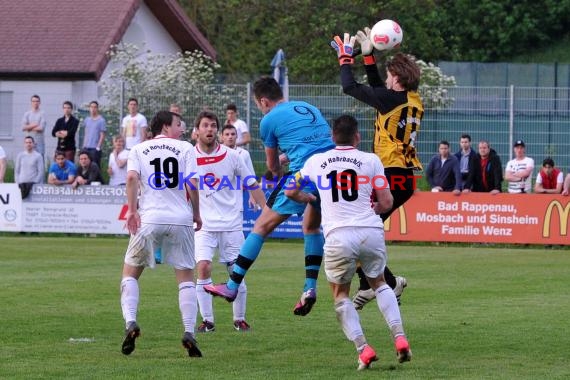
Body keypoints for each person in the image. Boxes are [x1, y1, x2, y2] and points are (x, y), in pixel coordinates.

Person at [284, 115, 411, 370]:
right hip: (369, 231)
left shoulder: (316, 161)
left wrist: (308, 197)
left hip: (338, 235)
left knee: (340, 295)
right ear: (357, 137)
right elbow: (386, 202)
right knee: (380, 284)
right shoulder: (370, 160)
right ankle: (399, 338)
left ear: (332, 137)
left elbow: (289, 189)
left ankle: (364, 349)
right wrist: (374, 206)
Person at [205, 76, 335, 316]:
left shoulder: (268, 120)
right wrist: (291, 156)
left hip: (304, 176)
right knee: (311, 228)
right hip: (331, 173)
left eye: (257, 104)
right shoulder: (308, 107)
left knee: (260, 228)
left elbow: (273, 166)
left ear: (263, 101)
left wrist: (277, 172)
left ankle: (232, 285)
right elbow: (319, 143)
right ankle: (309, 288)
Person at [333, 31, 423, 309]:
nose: (385, 79)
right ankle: (369, 283)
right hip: (401, 176)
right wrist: (369, 56)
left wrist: (346, 57)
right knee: (360, 232)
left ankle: (387, 283)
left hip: (391, 175)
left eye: (388, 74)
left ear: (396, 77)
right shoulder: (411, 99)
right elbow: (379, 91)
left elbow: (351, 87)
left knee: (356, 232)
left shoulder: (390, 100)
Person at [119, 110, 203, 357]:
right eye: (179, 124)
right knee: (186, 277)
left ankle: (130, 322)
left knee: (130, 273)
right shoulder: (186, 148)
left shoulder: (138, 149)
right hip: (180, 219)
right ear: (166, 126)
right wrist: (196, 213)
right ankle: (189, 331)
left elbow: (132, 177)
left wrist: (132, 211)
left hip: (150, 218)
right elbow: (192, 184)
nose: (183, 128)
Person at [193, 111, 266, 333]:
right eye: (205, 125)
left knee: (236, 271)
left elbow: (252, 183)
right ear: (197, 131)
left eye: (213, 125)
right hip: (204, 225)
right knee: (203, 266)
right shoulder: (188, 156)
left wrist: (266, 211)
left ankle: (239, 319)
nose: (209, 129)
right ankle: (208, 321)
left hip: (232, 224)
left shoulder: (233, 156)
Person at [220, 124, 261, 209]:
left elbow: (250, 178)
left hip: (237, 196)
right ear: (222, 137)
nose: (230, 137)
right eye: (227, 134)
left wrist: (252, 196)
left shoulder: (244, 154)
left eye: (232, 134)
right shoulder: (216, 153)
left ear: (237, 136)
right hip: (219, 196)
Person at [82, 100, 106, 168]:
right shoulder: (87, 119)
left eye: (95, 107)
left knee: (95, 166)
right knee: (86, 166)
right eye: (91, 107)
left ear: (97, 109)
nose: (93, 109)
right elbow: (86, 133)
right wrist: (84, 145)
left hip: (94, 148)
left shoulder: (101, 120)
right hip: (86, 148)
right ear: (89, 108)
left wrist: (98, 147)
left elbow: (102, 135)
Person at [21, 94, 46, 159]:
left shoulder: (42, 113)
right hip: (28, 143)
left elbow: (41, 128)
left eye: (37, 101)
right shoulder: (27, 114)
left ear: (40, 102)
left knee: (40, 161)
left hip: (39, 143)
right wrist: (35, 124)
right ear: (31, 102)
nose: (35, 103)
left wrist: (28, 127)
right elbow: (23, 127)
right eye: (33, 101)